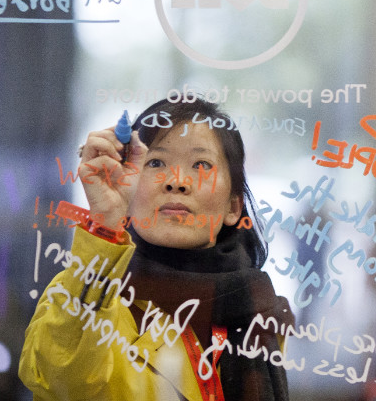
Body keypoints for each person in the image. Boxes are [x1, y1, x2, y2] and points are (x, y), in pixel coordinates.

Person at [20, 98, 295, 401]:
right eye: (155, 163)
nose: (176, 182)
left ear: (233, 207)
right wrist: (106, 222)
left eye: (201, 165)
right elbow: (63, 381)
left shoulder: (259, 316)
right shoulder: (83, 293)